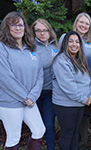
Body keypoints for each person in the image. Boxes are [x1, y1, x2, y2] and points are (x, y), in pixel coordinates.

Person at [0, 11, 45, 150]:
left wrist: (32, 96)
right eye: (13, 25)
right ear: (7, 28)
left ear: (25, 27)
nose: (17, 28)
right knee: (14, 137)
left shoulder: (31, 48)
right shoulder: (2, 48)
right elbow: (5, 77)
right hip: (10, 102)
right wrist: (25, 96)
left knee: (39, 130)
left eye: (20, 25)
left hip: (29, 100)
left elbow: (39, 75)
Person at [59, 12, 91, 149]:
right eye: (81, 22)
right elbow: (60, 60)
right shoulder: (65, 37)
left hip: (86, 87)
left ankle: (81, 146)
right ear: (76, 22)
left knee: (83, 121)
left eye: (87, 23)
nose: (84, 25)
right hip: (70, 88)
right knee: (70, 128)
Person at [51, 30, 91, 150]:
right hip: (66, 104)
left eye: (77, 42)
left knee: (75, 133)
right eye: (70, 41)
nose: (74, 44)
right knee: (67, 133)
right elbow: (68, 86)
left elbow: (88, 80)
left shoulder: (81, 60)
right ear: (65, 43)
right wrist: (84, 99)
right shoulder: (61, 60)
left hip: (80, 104)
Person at [31, 18, 59, 150]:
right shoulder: (31, 47)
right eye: (38, 30)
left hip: (51, 92)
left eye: (45, 30)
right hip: (34, 93)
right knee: (36, 126)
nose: (42, 33)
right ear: (34, 32)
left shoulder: (57, 46)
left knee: (48, 124)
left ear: (49, 30)